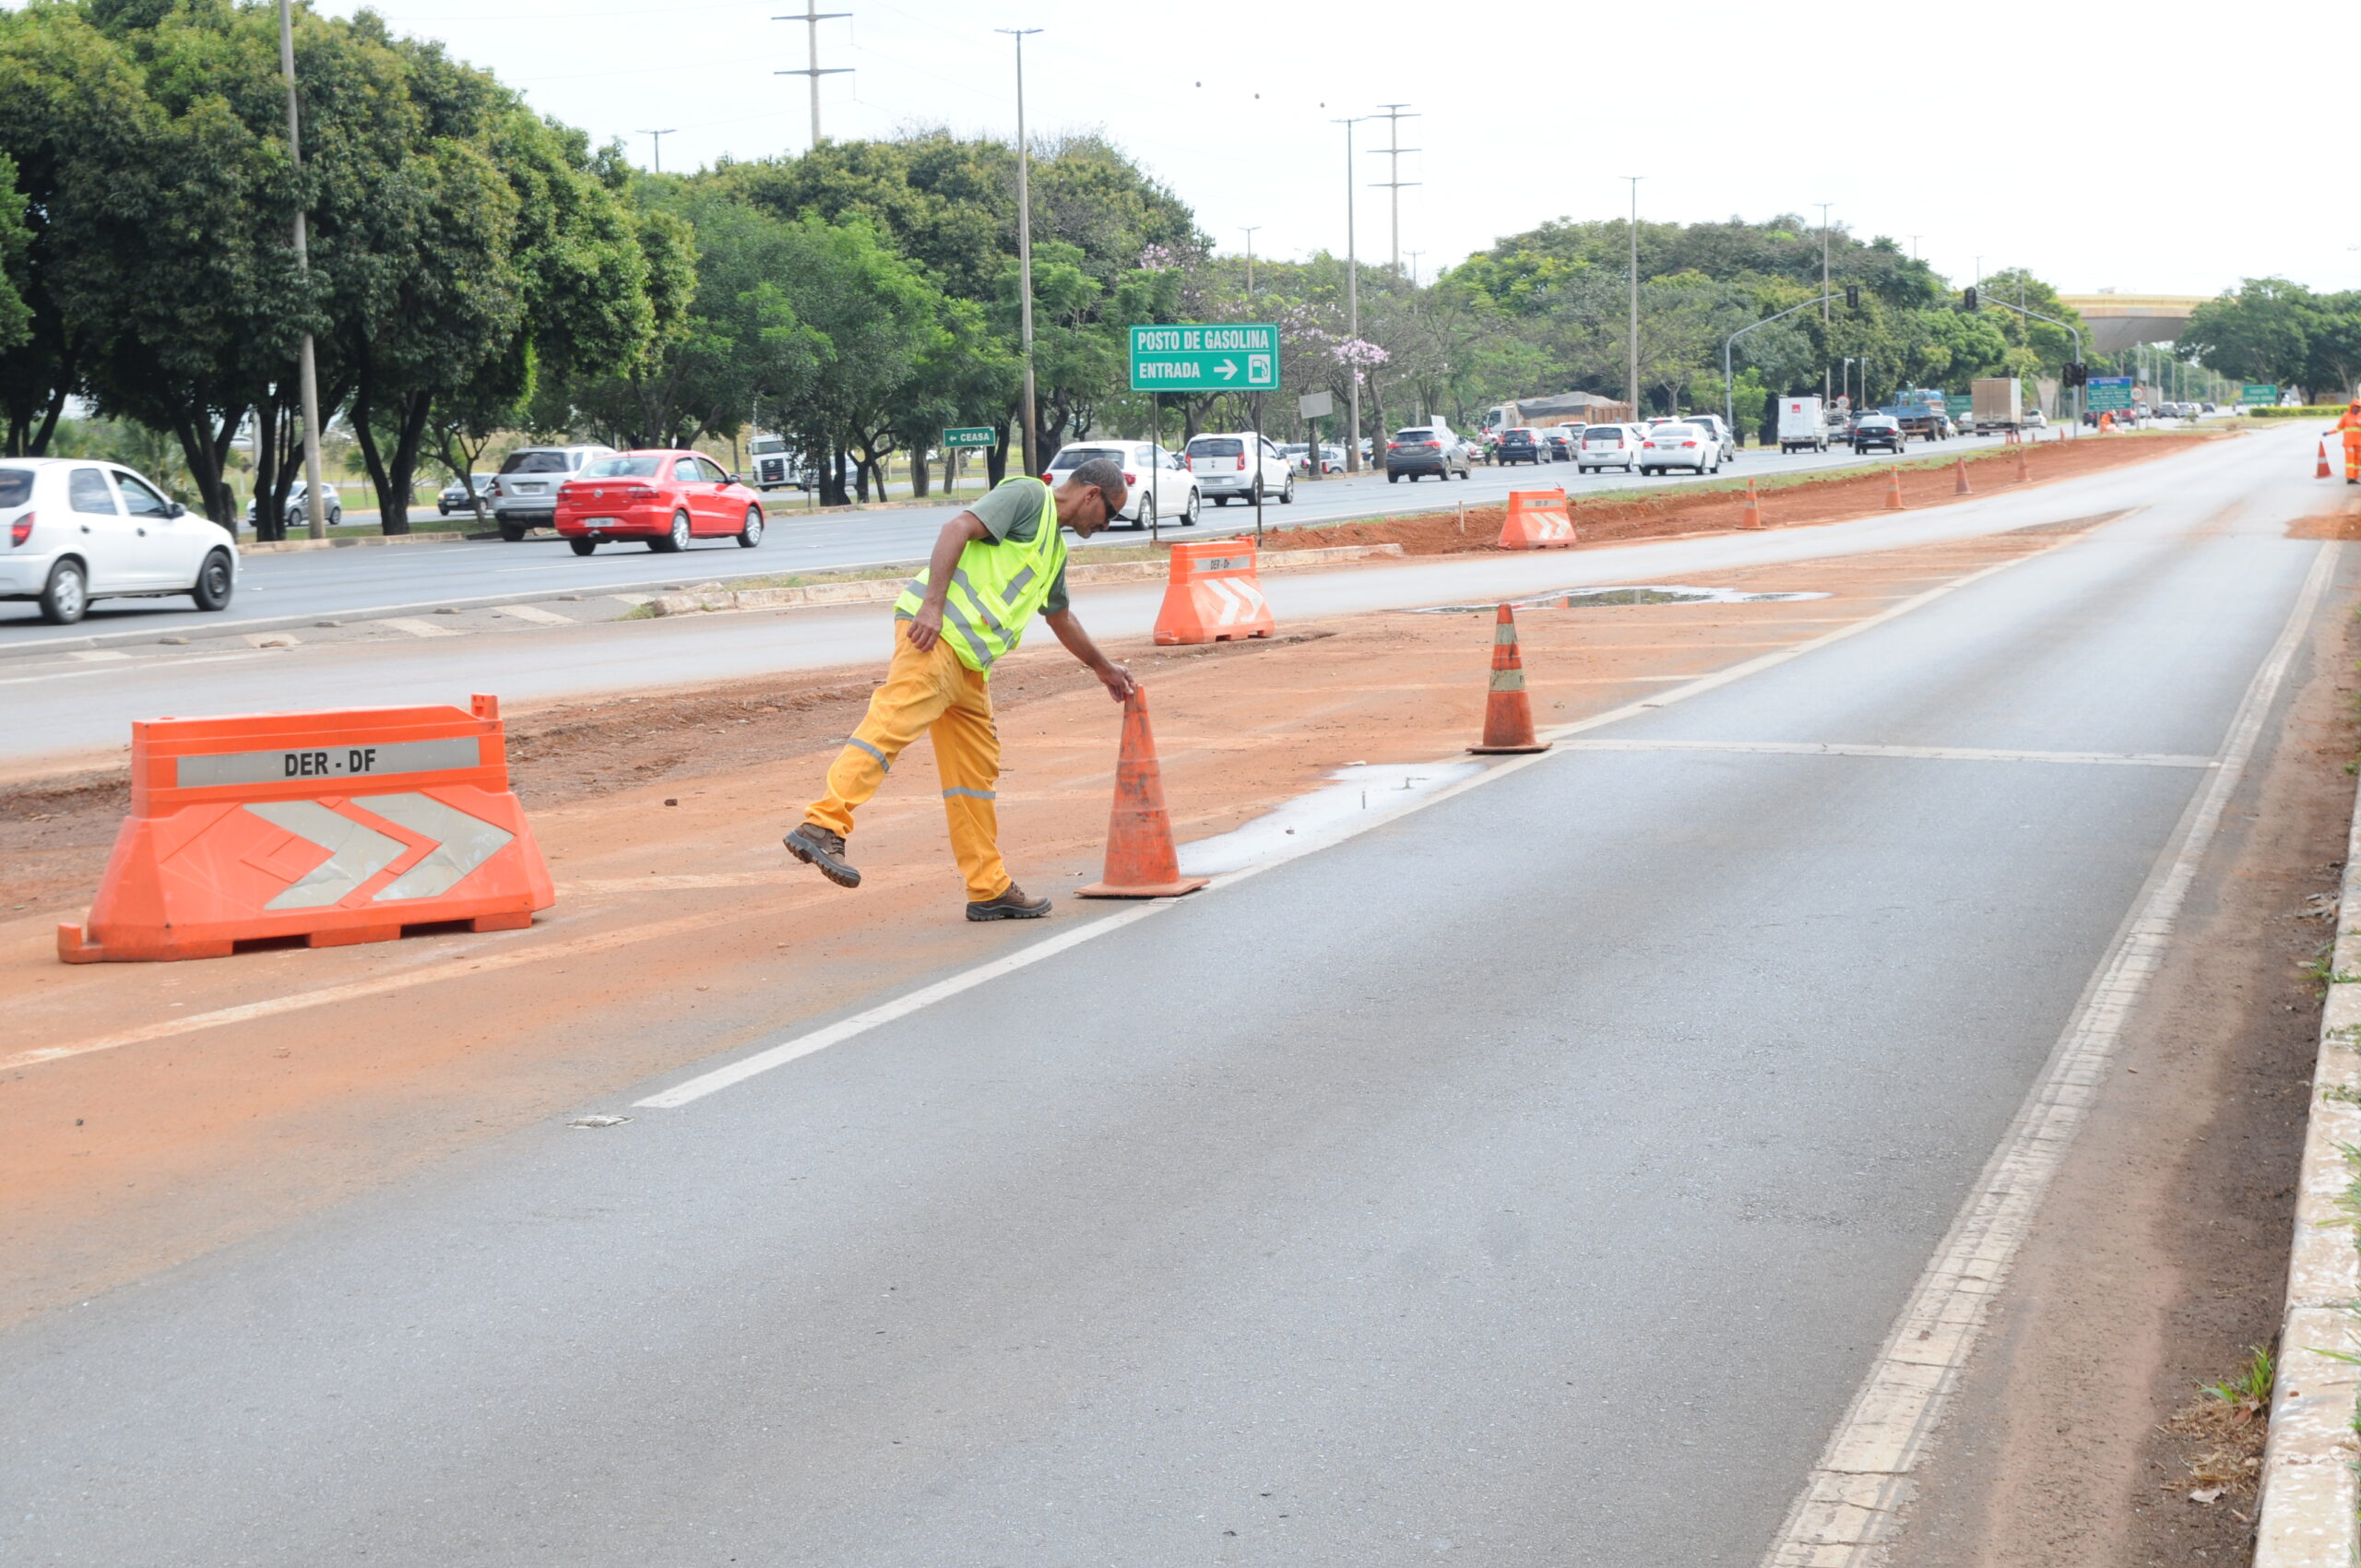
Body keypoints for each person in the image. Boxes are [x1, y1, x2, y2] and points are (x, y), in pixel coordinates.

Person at [783, 457, 1138, 921]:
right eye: (1111, 512)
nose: (1107, 524)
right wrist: (931, 607)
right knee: (891, 726)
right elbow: (956, 528)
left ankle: (989, 887)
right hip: (935, 638)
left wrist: (1102, 668)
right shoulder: (1029, 496)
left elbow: (1060, 617)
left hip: (971, 665)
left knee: (975, 777)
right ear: (1091, 494)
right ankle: (823, 823)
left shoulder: (1054, 549)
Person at [2336, 398, 2361, 484]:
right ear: (2352, 406)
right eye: (2356, 406)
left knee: (2357, 461)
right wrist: (2329, 432)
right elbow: (2339, 427)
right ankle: (2350, 478)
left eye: (2359, 407)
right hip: (2349, 443)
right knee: (2350, 461)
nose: (2357, 408)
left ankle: (2355, 477)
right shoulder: (2346, 416)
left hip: (2358, 443)